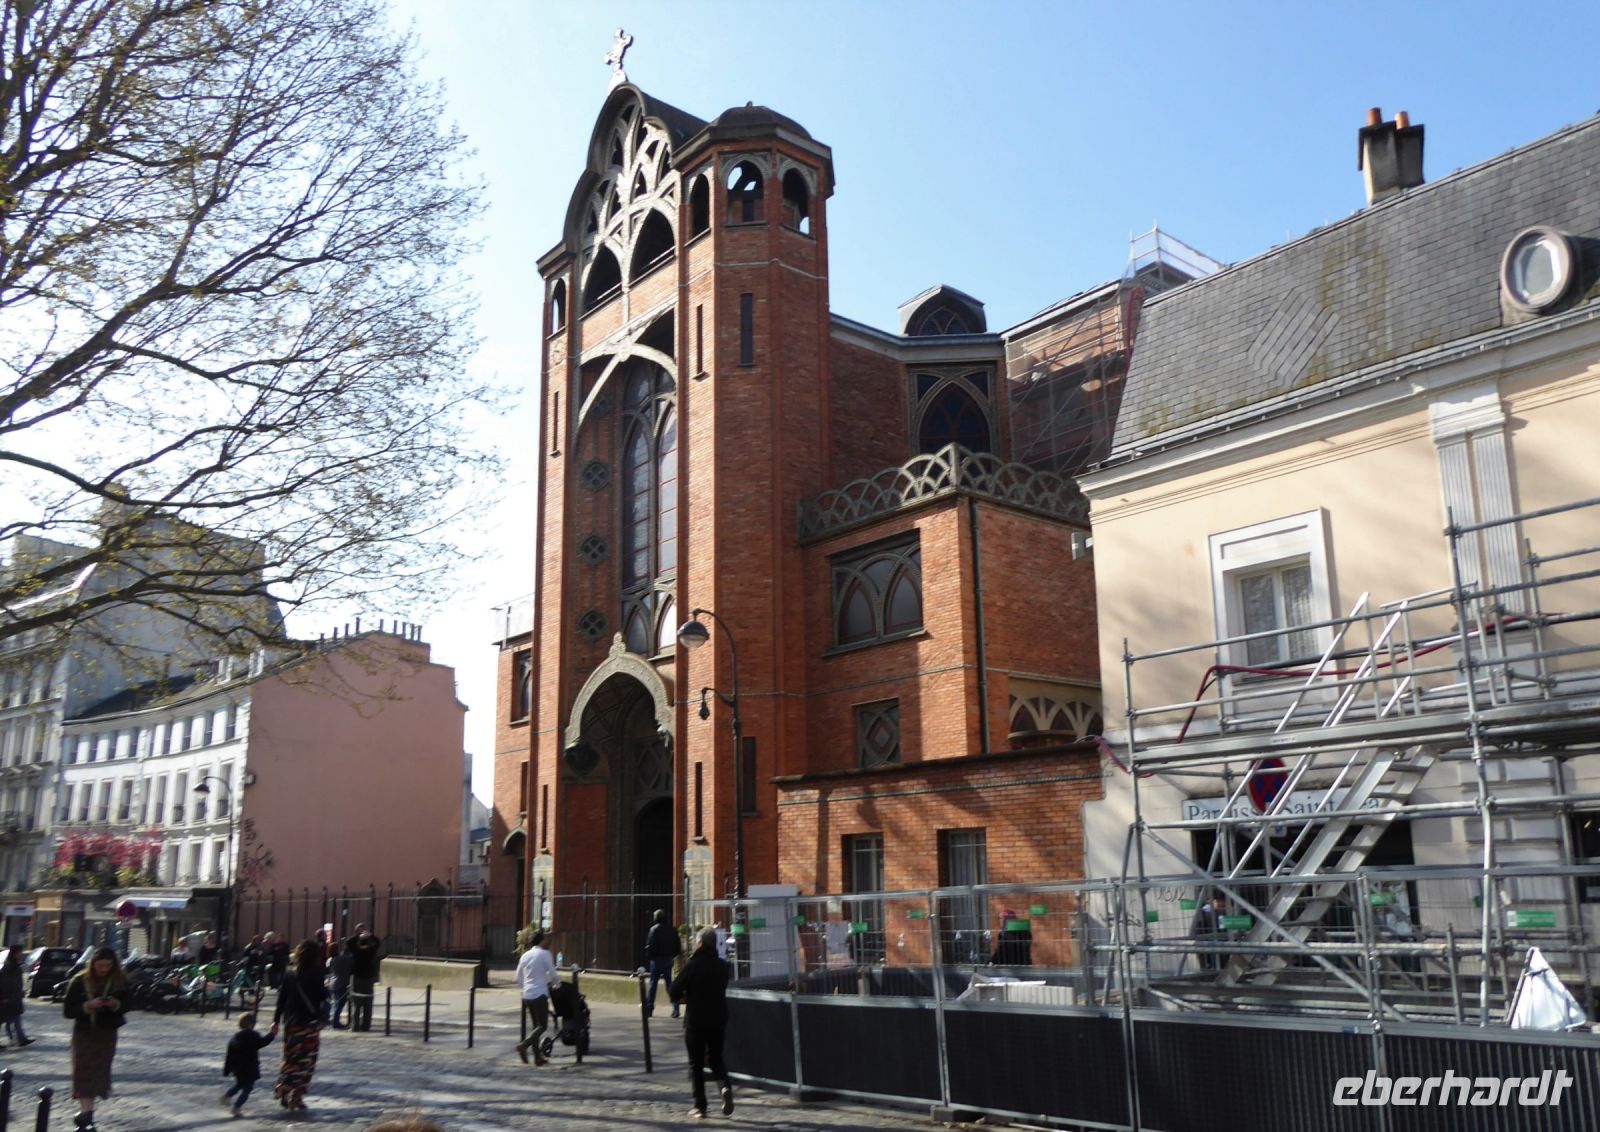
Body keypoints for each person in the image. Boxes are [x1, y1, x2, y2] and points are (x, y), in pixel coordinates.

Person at [669, 926, 734, 1120]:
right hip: (718, 1019)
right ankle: (725, 1087)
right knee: (716, 1058)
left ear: (700, 943)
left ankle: (700, 1106)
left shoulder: (692, 965)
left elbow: (674, 991)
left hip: (696, 1020)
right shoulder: (723, 967)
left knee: (696, 1064)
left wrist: (684, 996)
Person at [62, 947, 128, 1131]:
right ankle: (86, 1114)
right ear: (93, 964)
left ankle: (89, 1111)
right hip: (84, 1031)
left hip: (106, 1033)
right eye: (100, 965)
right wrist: (87, 1005)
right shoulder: (79, 980)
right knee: (82, 1069)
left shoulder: (119, 981)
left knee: (100, 1070)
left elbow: (130, 1003)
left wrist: (115, 1004)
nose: (104, 969)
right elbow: (67, 1010)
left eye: (108, 965)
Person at [272, 939, 327, 1115]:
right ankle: (297, 1096)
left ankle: (283, 1089)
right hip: (309, 1025)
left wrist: (275, 1020)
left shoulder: (289, 974)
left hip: (291, 1024)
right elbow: (321, 996)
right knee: (306, 1062)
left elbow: (281, 1000)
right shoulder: (316, 973)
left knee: (290, 1058)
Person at [513, 929, 559, 1066]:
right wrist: (557, 984)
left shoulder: (525, 955)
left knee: (535, 1026)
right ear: (541, 940)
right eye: (546, 938)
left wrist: (525, 986)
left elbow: (518, 977)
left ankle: (537, 1057)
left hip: (527, 995)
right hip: (540, 993)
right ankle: (524, 1045)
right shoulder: (545, 954)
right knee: (542, 1026)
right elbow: (553, 974)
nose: (548, 941)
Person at [221, 1010, 278, 1118]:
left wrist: (227, 1070)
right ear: (252, 1024)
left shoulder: (235, 1037)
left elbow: (229, 1055)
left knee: (239, 1084)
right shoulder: (252, 1036)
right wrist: (272, 1034)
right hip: (249, 1068)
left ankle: (227, 1096)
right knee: (247, 1089)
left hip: (238, 1069)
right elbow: (262, 1042)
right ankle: (236, 1107)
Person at [643, 908, 682, 1018]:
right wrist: (672, 955)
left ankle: (649, 1008)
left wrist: (651, 956)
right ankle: (675, 1007)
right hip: (668, 959)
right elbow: (677, 945)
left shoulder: (653, 930)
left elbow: (649, 946)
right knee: (669, 984)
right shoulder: (672, 929)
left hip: (656, 960)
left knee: (653, 985)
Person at [345, 923, 382, 1032]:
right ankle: (366, 1026)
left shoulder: (356, 950)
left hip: (357, 976)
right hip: (368, 976)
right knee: (368, 1003)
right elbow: (378, 942)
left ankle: (355, 1026)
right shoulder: (371, 950)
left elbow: (349, 942)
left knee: (356, 1003)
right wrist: (369, 936)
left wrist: (359, 935)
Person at [0, 947, 33, 1047]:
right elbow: (5, 983)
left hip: (13, 997)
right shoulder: (10, 967)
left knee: (13, 1019)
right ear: (14, 954)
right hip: (9, 998)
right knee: (9, 1019)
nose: (21, 955)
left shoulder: (13, 966)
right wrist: (5, 997)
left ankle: (19, 1039)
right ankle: (18, 1039)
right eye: (20, 953)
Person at [327, 940, 353, 1029]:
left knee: (337, 1003)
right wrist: (347, 949)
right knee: (339, 1004)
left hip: (334, 983)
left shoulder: (331, 959)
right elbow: (350, 959)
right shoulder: (340, 959)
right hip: (340, 983)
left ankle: (335, 1020)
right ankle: (335, 1022)